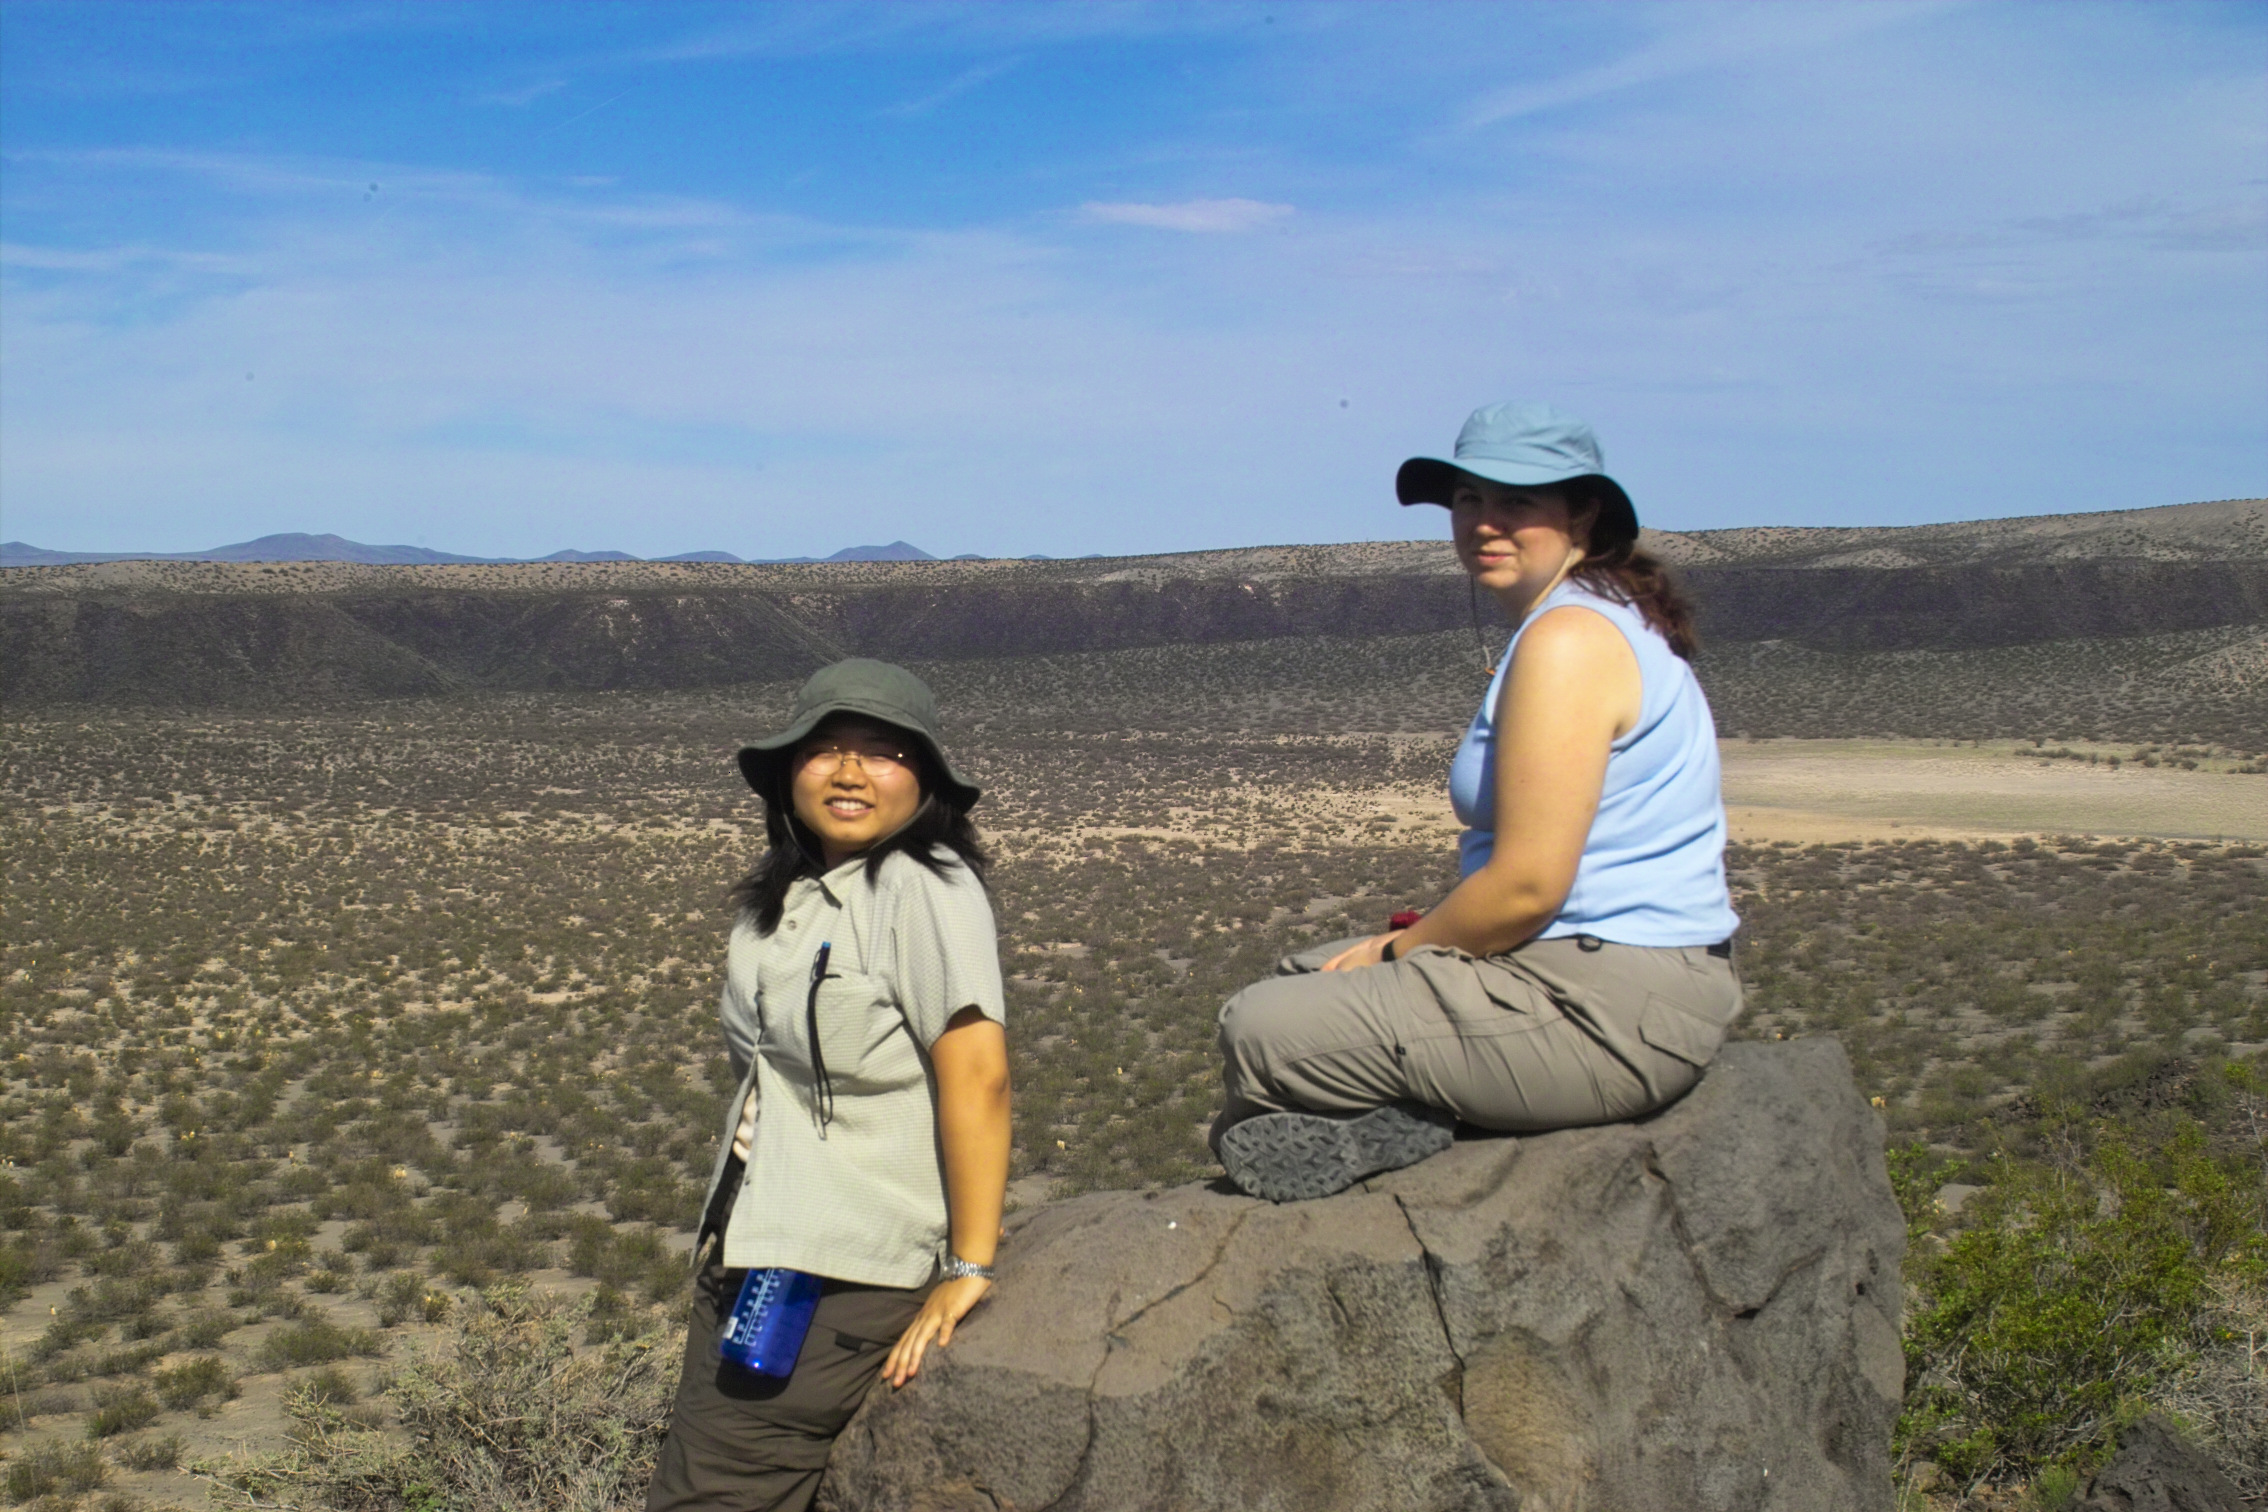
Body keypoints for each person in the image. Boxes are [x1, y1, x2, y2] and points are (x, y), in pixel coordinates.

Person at [1211, 401, 1742, 1203]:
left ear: (1583, 514)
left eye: (1516, 501)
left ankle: (1408, 1126)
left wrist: (1400, 951)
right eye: (1468, 499)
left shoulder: (1569, 642)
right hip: (1584, 973)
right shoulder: (1591, 620)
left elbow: (1528, 885)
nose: (1485, 523)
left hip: (1605, 1004)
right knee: (1302, 977)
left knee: (1259, 1027)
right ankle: (1400, 1123)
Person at [647, 659, 1010, 1512]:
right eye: (824, 749)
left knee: (712, 1492)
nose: (849, 771)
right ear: (788, 772)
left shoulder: (922, 887)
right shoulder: (784, 896)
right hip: (754, 1242)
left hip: (837, 1270)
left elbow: (979, 1074)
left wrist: (970, 1263)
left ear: (924, 780)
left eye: (882, 751)